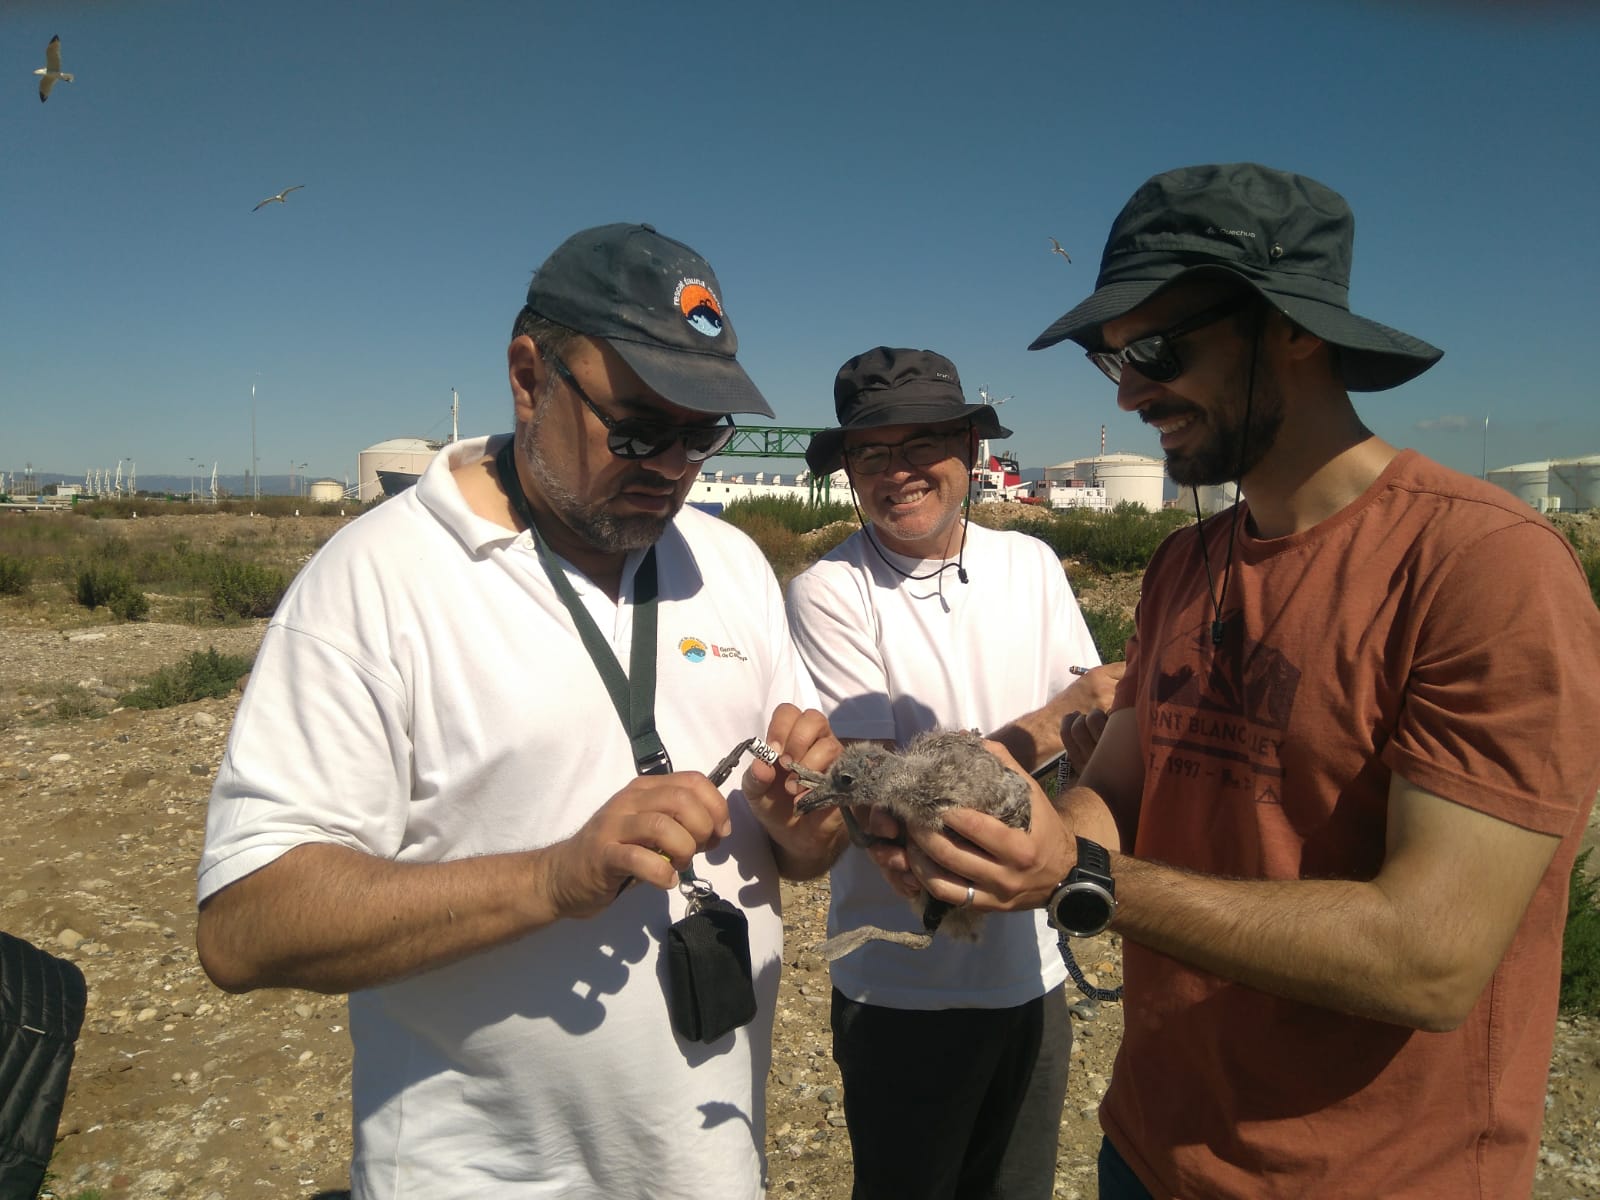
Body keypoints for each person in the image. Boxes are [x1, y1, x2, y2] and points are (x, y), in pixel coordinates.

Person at [884, 163, 1600, 1198]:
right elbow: (1116, 790)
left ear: (1292, 328)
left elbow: (1431, 959)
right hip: (1149, 1145)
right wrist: (999, 845)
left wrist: (1083, 881)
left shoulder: (1484, 568)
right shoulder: (1185, 562)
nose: (1127, 392)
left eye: (1155, 350)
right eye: (1110, 358)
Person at [195, 223, 848, 1200]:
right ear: (529, 378)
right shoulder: (375, 581)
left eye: (701, 433)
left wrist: (807, 824)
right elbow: (244, 925)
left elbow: (801, 853)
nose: (673, 465)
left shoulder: (734, 567)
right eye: (639, 427)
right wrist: (550, 878)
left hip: (711, 1168)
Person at [786, 345, 1121, 1200]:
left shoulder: (1031, 565)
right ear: (849, 471)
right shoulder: (829, 590)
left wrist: (1082, 730)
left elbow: (1096, 737)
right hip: (902, 988)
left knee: (1021, 1185)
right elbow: (881, 802)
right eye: (871, 453)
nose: (897, 471)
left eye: (922, 443)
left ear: (970, 450)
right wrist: (1054, 720)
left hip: (1033, 967)